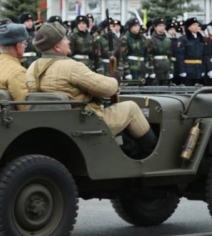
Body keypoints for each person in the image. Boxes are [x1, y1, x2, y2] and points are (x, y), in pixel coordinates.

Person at [26, 22, 157, 156]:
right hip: (85, 123)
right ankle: (151, 154)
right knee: (131, 108)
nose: (68, 41)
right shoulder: (71, 66)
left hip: (51, 125)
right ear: (57, 47)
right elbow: (106, 88)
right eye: (64, 38)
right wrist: (115, 79)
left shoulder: (33, 67)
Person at [121, 18, 152, 82]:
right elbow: (123, 57)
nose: (137, 28)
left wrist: (146, 69)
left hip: (142, 67)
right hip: (131, 66)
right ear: (130, 27)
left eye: (138, 26)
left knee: (142, 87)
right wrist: (127, 72)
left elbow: (146, 54)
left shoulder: (142, 38)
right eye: (135, 26)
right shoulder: (125, 38)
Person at [177, 17, 206, 86]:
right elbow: (180, 56)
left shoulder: (201, 39)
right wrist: (182, 71)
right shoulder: (183, 39)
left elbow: (204, 55)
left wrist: (203, 69)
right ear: (188, 27)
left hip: (198, 69)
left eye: (197, 25)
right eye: (194, 25)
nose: (196, 27)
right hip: (188, 69)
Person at [149, 18, 174, 85]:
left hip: (166, 68)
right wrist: (151, 71)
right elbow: (149, 56)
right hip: (156, 68)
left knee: (165, 88)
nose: (162, 27)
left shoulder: (168, 40)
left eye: (163, 26)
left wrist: (171, 70)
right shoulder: (151, 40)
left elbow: (170, 56)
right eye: (160, 26)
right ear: (155, 27)